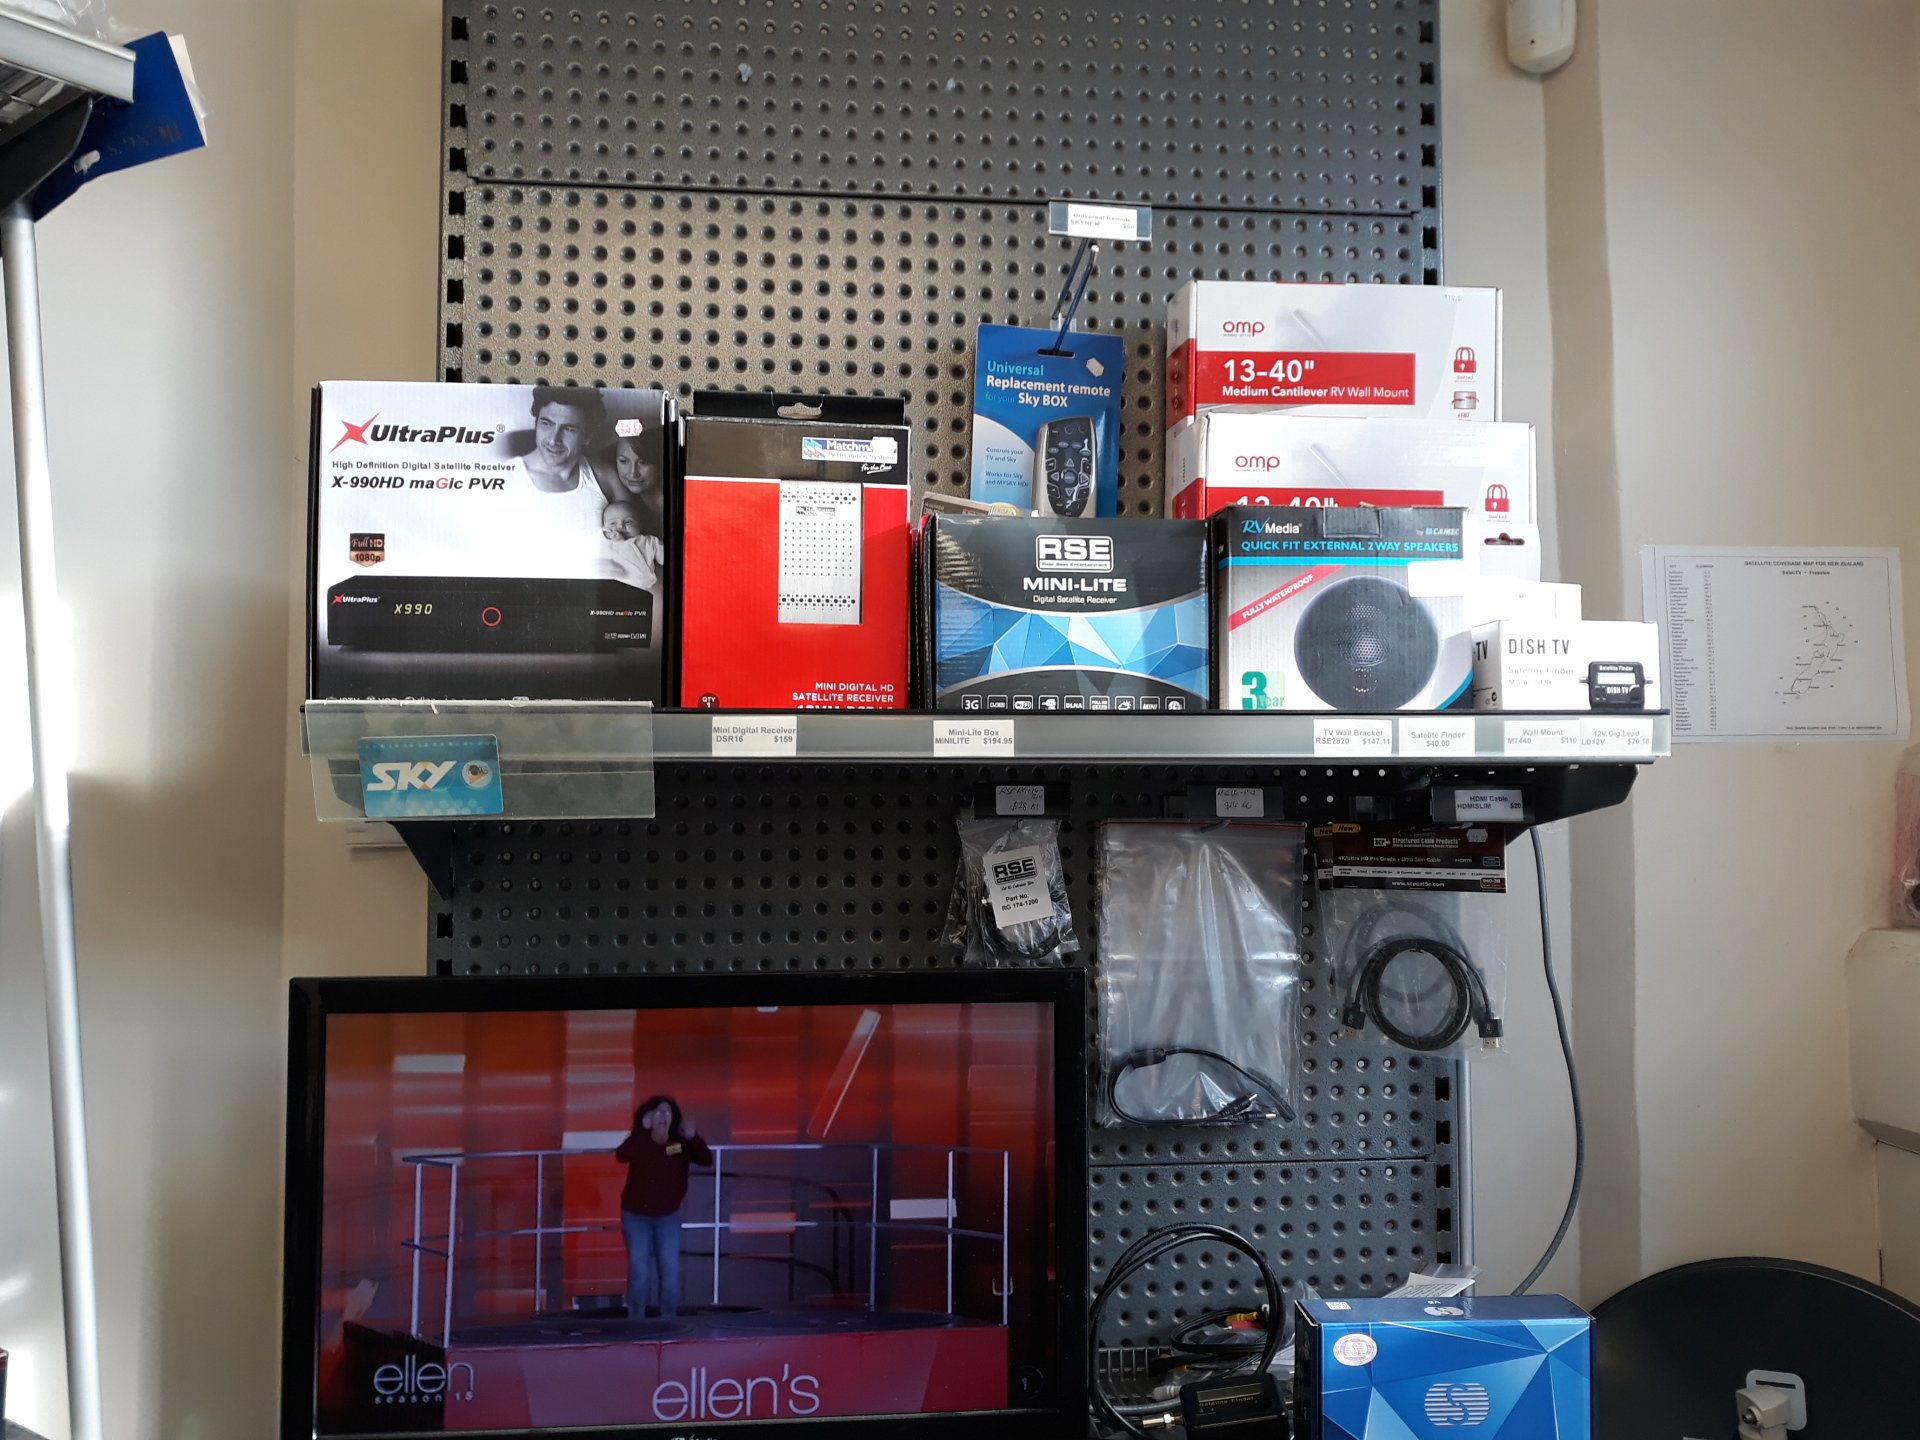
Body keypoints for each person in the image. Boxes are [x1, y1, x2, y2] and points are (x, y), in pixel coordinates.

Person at [614, 1095, 712, 1319]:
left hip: (668, 1217)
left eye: (667, 1111)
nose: (663, 1116)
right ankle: (636, 1325)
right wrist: (642, 1131)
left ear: (673, 1118)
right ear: (649, 1117)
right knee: (639, 1274)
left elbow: (706, 1159)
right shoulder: (641, 1141)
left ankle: (668, 1324)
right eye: (658, 1111)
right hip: (636, 1217)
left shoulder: (680, 1144)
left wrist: (693, 1137)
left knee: (670, 1277)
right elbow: (622, 1154)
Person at [600, 500, 665, 589]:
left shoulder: (648, 541)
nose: (621, 526)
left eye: (628, 521)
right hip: (614, 587)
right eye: (613, 523)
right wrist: (608, 536)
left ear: (639, 524)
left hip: (643, 588)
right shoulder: (608, 543)